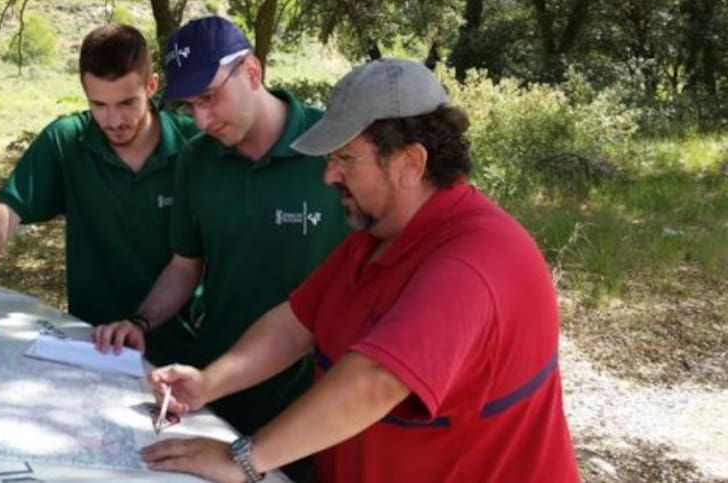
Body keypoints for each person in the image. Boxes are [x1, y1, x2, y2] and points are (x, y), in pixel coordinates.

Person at [139, 58, 581, 483]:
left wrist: (245, 459)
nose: (329, 176)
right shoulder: (376, 237)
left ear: (411, 163)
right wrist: (206, 384)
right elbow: (294, 325)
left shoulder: (476, 258)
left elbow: (377, 381)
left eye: (345, 159)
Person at [93, 16, 350, 441]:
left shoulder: (333, 146)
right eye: (190, 106)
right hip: (220, 386)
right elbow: (185, 264)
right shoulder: (195, 162)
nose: (202, 118)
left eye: (210, 97)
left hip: (318, 397)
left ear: (252, 71)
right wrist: (140, 321)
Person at [0, 23, 199, 366]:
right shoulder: (67, 141)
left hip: (189, 349)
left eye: (127, 102)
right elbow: (7, 211)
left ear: (152, 86)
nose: (114, 120)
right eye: (99, 104)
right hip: (97, 345)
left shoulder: (197, 146)